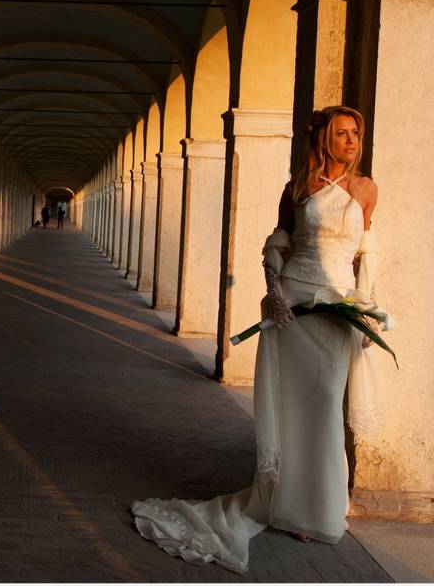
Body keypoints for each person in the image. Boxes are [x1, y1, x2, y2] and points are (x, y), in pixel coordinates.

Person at [130, 105, 386, 573]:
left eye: (356, 134)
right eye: (343, 133)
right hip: (293, 309)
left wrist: (365, 312)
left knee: (327, 404)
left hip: (336, 310)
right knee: (292, 410)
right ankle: (288, 507)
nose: (352, 142)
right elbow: (276, 245)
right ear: (324, 139)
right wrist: (276, 296)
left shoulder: (367, 191)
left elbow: (366, 256)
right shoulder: (298, 187)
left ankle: (322, 509)